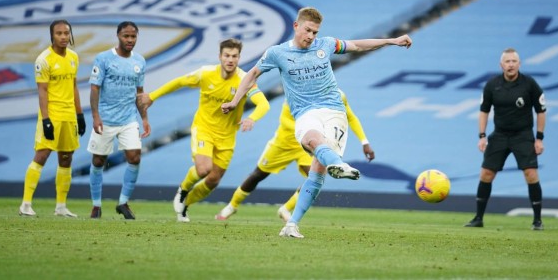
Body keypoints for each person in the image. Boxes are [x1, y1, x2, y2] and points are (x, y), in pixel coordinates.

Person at [222, 7, 412, 238]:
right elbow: (251, 75)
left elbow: (358, 45)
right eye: (308, 30)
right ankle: (339, 164)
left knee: (318, 170)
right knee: (311, 138)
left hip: (334, 111)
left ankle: (291, 225)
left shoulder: (326, 45)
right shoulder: (277, 53)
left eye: (315, 32)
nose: (311, 36)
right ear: (296, 26)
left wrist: (391, 41)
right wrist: (234, 101)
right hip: (305, 112)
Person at [137, 38, 270, 223]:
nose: (230, 60)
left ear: (239, 58)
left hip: (227, 137)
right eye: (227, 55)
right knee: (203, 169)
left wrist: (251, 118)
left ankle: (185, 205)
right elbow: (179, 82)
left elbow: (263, 104)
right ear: (220, 57)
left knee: (214, 179)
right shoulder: (206, 73)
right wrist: (152, 96)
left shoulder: (244, 79)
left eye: (234, 56)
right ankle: (183, 189)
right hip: (204, 129)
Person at [215, 89, 375, 221]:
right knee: (258, 175)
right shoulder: (297, 93)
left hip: (308, 145)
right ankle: (231, 206)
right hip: (283, 143)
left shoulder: (337, 95)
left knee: (313, 178)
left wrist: (364, 141)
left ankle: (286, 209)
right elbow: (286, 120)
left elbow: (350, 116)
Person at [464, 48, 546, 230]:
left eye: (514, 61)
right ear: (501, 65)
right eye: (507, 62)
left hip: (523, 135)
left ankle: (537, 220)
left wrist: (539, 138)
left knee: (531, 174)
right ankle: (478, 218)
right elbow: (484, 111)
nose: (510, 65)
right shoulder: (492, 85)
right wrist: (482, 136)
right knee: (486, 174)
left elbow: (541, 111)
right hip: (500, 135)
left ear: (519, 64)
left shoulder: (529, 84)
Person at [19, 19, 86, 217]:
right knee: (41, 156)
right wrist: (46, 119)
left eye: (66, 33)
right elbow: (43, 91)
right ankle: (25, 204)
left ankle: (61, 207)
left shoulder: (73, 57)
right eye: (59, 33)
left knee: (66, 158)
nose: (64, 37)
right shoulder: (44, 60)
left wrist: (80, 114)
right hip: (52, 114)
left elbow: (73, 87)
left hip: (69, 115)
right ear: (52, 36)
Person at [87, 21, 150, 220]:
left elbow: (140, 93)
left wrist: (145, 118)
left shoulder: (139, 61)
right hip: (105, 118)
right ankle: (96, 206)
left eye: (133, 36)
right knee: (98, 160)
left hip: (128, 118)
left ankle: (123, 203)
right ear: (118, 36)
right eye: (126, 36)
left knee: (135, 157)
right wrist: (96, 116)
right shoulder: (104, 58)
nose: (130, 40)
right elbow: (95, 88)